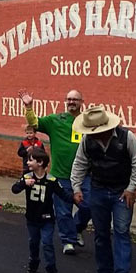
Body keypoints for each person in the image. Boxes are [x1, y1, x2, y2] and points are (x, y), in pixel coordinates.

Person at [70, 105, 136, 273]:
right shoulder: (87, 142)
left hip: (122, 191)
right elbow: (79, 164)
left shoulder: (127, 138)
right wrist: (76, 187)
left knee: (121, 231)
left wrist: (131, 188)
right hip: (98, 189)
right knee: (101, 233)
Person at [20, 89, 90, 254]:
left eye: (76, 99)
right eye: (69, 99)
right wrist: (29, 107)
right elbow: (35, 123)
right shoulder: (56, 120)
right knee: (63, 211)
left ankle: (78, 228)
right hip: (61, 175)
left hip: (84, 175)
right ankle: (68, 241)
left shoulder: (87, 122)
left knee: (89, 206)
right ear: (66, 101)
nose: (72, 102)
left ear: (82, 102)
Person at [12, 147, 72, 273]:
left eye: (30, 160)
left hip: (47, 218)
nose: (27, 162)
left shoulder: (52, 180)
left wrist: (75, 199)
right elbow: (14, 189)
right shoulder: (27, 177)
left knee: (47, 243)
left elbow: (63, 194)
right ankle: (33, 263)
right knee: (33, 242)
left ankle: (51, 269)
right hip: (32, 218)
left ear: (40, 163)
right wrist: (23, 183)